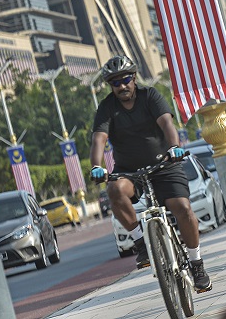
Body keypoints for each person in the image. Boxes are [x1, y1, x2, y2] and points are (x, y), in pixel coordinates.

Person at [88, 55, 212, 293]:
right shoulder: (106, 107)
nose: (122, 86)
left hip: (164, 164)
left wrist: (174, 147)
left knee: (183, 208)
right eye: (115, 82)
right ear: (110, 86)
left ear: (134, 78)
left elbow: (167, 123)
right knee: (115, 190)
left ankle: (197, 264)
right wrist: (96, 166)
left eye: (125, 79)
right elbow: (99, 139)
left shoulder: (150, 96)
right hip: (129, 171)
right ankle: (141, 243)